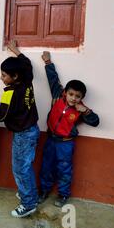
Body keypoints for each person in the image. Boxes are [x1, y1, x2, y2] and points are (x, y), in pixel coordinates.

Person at [0, 40, 40, 218]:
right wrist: (16, 52)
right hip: (32, 130)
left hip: (23, 135)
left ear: (15, 77)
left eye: (4, 75)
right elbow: (27, 66)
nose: (1, 78)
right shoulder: (27, 80)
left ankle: (28, 203)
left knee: (20, 169)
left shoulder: (9, 93)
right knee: (25, 167)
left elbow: (0, 115)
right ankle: (30, 194)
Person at [38, 51, 100, 207]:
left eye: (77, 96)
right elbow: (53, 79)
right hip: (51, 139)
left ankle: (63, 194)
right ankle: (44, 190)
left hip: (66, 143)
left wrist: (85, 111)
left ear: (81, 98)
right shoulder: (58, 96)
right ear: (65, 92)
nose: (73, 98)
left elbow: (95, 122)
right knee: (46, 166)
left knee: (64, 169)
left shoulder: (81, 109)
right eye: (71, 94)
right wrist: (48, 62)